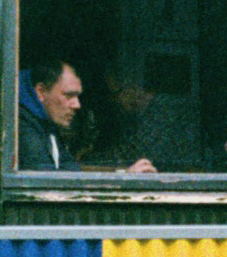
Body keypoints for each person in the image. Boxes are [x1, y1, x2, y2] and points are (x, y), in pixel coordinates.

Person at [18, 57, 154, 173]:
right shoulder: (22, 127)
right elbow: (47, 189)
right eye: (69, 95)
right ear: (41, 92)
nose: (77, 105)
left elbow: (70, 173)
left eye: (77, 95)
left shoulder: (46, 125)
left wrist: (123, 176)